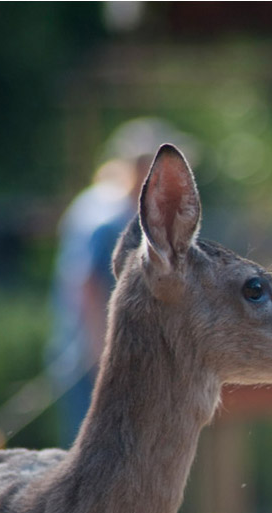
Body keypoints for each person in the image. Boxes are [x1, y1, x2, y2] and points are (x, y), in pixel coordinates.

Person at [48, 119, 194, 445]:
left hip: (98, 355)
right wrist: (105, 356)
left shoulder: (103, 205)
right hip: (93, 359)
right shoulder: (106, 218)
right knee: (97, 459)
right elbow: (84, 284)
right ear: (146, 170)